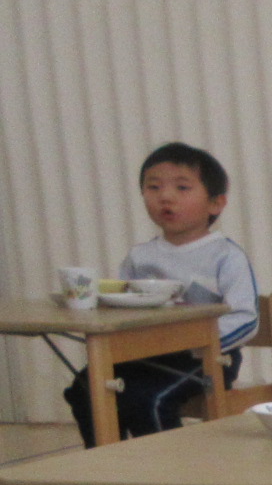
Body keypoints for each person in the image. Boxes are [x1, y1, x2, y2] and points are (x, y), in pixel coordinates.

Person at [63, 142, 258, 444]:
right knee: (84, 387)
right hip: (145, 355)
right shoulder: (140, 256)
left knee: (147, 399)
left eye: (182, 188)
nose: (165, 197)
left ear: (216, 204)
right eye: (153, 187)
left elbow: (246, 318)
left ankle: (170, 470)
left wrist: (196, 344)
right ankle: (107, 461)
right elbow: (123, 310)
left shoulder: (225, 256)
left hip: (206, 359)